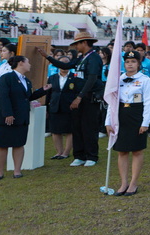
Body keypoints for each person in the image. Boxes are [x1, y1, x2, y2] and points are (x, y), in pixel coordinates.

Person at [39, 31, 104, 167]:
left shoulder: (94, 58)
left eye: (77, 43)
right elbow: (66, 66)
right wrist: (47, 57)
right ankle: (79, 155)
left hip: (89, 97)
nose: (75, 47)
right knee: (76, 127)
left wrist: (80, 97)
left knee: (89, 127)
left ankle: (91, 156)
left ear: (84, 43)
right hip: (78, 97)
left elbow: (92, 79)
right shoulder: (82, 57)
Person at [0, 56, 47, 180]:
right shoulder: (6, 77)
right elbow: (3, 96)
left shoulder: (26, 81)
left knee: (18, 144)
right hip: (4, 117)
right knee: (1, 145)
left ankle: (17, 171)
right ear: (21, 63)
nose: (30, 65)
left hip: (21, 116)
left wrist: (43, 90)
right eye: (28, 62)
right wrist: (8, 114)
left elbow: (27, 97)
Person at [106, 51, 150, 195]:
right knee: (122, 150)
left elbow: (149, 102)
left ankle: (133, 183)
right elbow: (112, 102)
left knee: (137, 150)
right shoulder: (118, 79)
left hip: (137, 114)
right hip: (121, 115)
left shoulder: (145, 80)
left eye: (133, 61)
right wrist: (108, 121)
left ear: (139, 64)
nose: (130, 64)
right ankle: (123, 183)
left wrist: (145, 122)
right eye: (127, 62)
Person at [44, 55, 79, 160]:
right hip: (55, 106)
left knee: (69, 130)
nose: (64, 65)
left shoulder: (75, 77)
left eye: (66, 62)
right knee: (55, 130)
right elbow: (48, 93)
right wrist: (46, 107)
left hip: (69, 107)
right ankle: (59, 152)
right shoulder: (52, 77)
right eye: (61, 62)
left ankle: (66, 152)